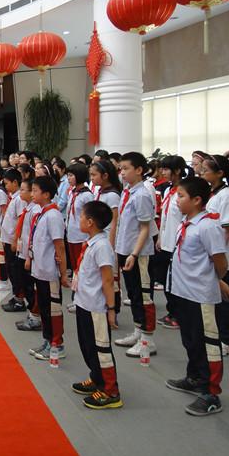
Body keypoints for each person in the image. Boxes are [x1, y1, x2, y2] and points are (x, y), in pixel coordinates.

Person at [165, 176, 228, 416]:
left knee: (207, 343)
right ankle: (194, 378)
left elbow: (220, 262)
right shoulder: (187, 223)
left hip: (200, 295)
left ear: (197, 200)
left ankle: (211, 394)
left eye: (181, 196)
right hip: (183, 292)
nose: (177, 200)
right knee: (191, 340)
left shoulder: (208, 226)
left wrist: (215, 280)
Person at [72, 200, 122, 410]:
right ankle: (96, 377)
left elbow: (107, 280)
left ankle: (110, 391)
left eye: (82, 216)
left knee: (101, 348)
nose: (79, 220)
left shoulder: (102, 246)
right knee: (88, 345)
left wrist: (111, 309)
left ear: (90, 222)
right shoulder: (91, 242)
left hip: (96, 307)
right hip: (84, 302)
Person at [114, 152, 158, 358]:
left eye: (126, 169)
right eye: (121, 169)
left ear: (139, 170)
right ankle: (138, 332)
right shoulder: (128, 192)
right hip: (126, 250)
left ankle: (148, 340)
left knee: (143, 296)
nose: (122, 173)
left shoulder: (142, 195)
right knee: (133, 294)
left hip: (139, 254)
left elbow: (145, 228)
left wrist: (134, 253)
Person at [201, 155, 229, 355]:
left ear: (220, 173)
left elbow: (227, 230)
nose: (201, 173)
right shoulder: (211, 193)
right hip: (210, 255)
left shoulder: (227, 196)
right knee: (214, 299)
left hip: (222, 258)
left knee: (228, 300)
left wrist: (215, 253)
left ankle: (227, 339)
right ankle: (215, 335)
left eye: (205, 170)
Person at [26, 175, 68, 360]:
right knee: (44, 308)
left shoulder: (53, 215)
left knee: (53, 309)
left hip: (50, 272)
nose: (32, 194)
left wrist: (63, 273)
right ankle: (48, 340)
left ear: (47, 194)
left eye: (35, 191)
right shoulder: (42, 213)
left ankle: (57, 344)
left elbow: (60, 246)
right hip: (40, 270)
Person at [155, 156, 188, 330]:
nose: (163, 172)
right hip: (166, 242)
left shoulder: (185, 191)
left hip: (178, 243)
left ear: (177, 171)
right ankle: (172, 311)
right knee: (166, 280)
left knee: (176, 282)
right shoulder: (168, 190)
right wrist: (160, 237)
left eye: (167, 169)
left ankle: (179, 315)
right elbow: (165, 217)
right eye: (162, 169)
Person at [90, 160, 122, 323]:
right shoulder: (100, 192)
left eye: (94, 175)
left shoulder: (112, 195)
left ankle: (113, 310)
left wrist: (110, 245)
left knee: (111, 277)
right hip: (99, 237)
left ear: (105, 176)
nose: (92, 178)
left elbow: (114, 222)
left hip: (108, 240)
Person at [66, 163, 94, 312]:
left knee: (82, 270)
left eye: (71, 175)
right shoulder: (72, 192)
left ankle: (82, 300)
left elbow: (89, 217)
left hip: (82, 237)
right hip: (71, 235)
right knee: (75, 269)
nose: (69, 178)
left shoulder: (86, 195)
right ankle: (76, 298)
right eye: (68, 175)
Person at [15, 178, 42, 331]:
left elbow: (33, 235)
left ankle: (35, 317)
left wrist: (29, 256)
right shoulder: (28, 208)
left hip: (30, 255)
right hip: (23, 250)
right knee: (25, 283)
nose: (21, 192)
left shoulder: (36, 210)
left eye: (24, 189)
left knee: (31, 286)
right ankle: (32, 313)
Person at [0, 169, 26, 311]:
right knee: (10, 269)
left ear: (15, 182)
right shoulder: (13, 197)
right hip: (8, 239)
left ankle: (19, 300)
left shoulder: (20, 200)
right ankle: (16, 296)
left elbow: (20, 221)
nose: (5, 186)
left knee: (15, 271)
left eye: (7, 183)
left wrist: (15, 240)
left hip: (13, 241)